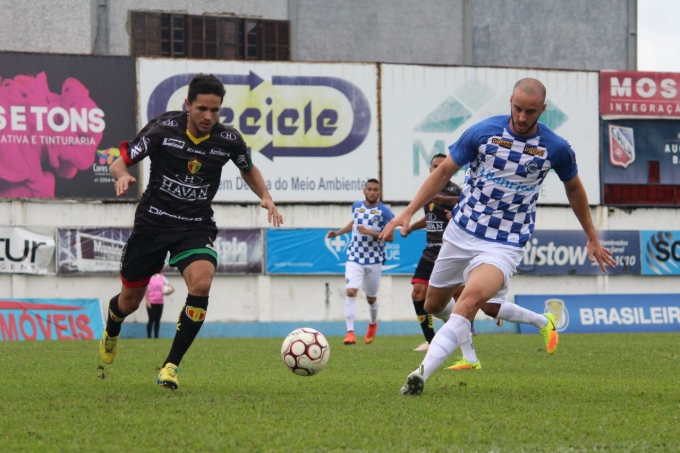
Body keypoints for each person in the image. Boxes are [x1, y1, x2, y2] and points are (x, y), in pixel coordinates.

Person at [381, 78, 616, 395]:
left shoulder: (555, 148)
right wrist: (409, 210)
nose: (521, 117)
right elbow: (443, 172)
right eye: (517, 109)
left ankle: (420, 375)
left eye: (530, 111)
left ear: (542, 110)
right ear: (510, 102)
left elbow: (574, 188)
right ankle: (528, 322)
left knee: (469, 301)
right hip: (462, 232)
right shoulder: (482, 132)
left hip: (504, 243)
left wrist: (591, 235)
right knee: (434, 304)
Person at [99, 73, 283, 391]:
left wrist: (264, 195)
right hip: (152, 225)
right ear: (188, 105)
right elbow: (119, 161)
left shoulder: (228, 139)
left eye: (215, 110)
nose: (208, 117)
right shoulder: (162, 130)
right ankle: (113, 325)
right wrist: (122, 175)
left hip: (194, 226)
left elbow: (247, 167)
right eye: (201, 109)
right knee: (129, 303)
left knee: (202, 282)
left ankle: (171, 366)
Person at [327, 179, 394, 346]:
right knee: (351, 291)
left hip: (374, 259)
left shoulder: (385, 212)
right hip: (354, 256)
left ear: (379, 192)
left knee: (371, 298)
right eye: (369, 189)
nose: (372, 192)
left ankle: (372, 324)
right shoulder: (356, 206)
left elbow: (390, 237)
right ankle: (350, 333)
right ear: (364, 191)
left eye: (375, 190)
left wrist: (370, 232)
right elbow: (354, 224)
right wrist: (338, 233)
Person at [145, 272, 174, 339]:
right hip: (151, 302)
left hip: (160, 302)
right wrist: (147, 301)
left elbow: (172, 288)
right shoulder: (149, 277)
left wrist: (167, 292)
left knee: (157, 320)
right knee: (151, 319)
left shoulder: (161, 277)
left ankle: (156, 336)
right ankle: (149, 336)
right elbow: (145, 291)